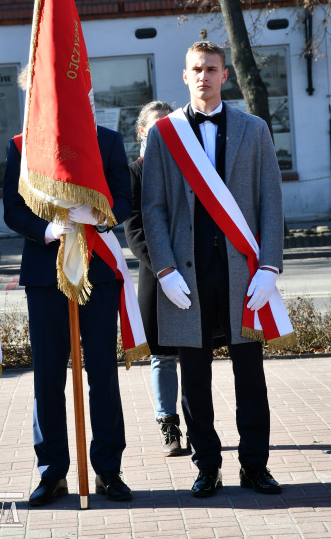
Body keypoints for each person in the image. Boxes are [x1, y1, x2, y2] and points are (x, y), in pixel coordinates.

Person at [142, 41, 283, 498]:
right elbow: (153, 208)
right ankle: (207, 466)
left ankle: (255, 466)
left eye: (211, 68)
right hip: (187, 274)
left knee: (251, 377)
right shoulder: (164, 134)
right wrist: (164, 269)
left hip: (243, 273)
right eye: (196, 69)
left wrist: (269, 265)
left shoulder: (254, 129)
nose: (204, 76)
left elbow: (270, 201)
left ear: (225, 75)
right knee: (194, 380)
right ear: (185, 76)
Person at [3, 125, 133, 506]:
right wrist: (46, 229)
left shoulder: (107, 140)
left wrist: (99, 214)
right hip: (45, 273)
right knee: (47, 375)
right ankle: (52, 472)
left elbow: (125, 199)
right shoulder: (22, 144)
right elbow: (12, 208)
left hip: (98, 271)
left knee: (103, 373)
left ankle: (108, 469)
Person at [124, 100, 188, 456]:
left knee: (194, 353)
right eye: (156, 126)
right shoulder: (135, 172)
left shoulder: (189, 167)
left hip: (192, 272)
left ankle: (198, 425)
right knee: (162, 356)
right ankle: (169, 426)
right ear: (141, 133)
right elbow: (134, 231)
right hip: (157, 275)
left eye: (169, 124)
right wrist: (165, 269)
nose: (163, 131)